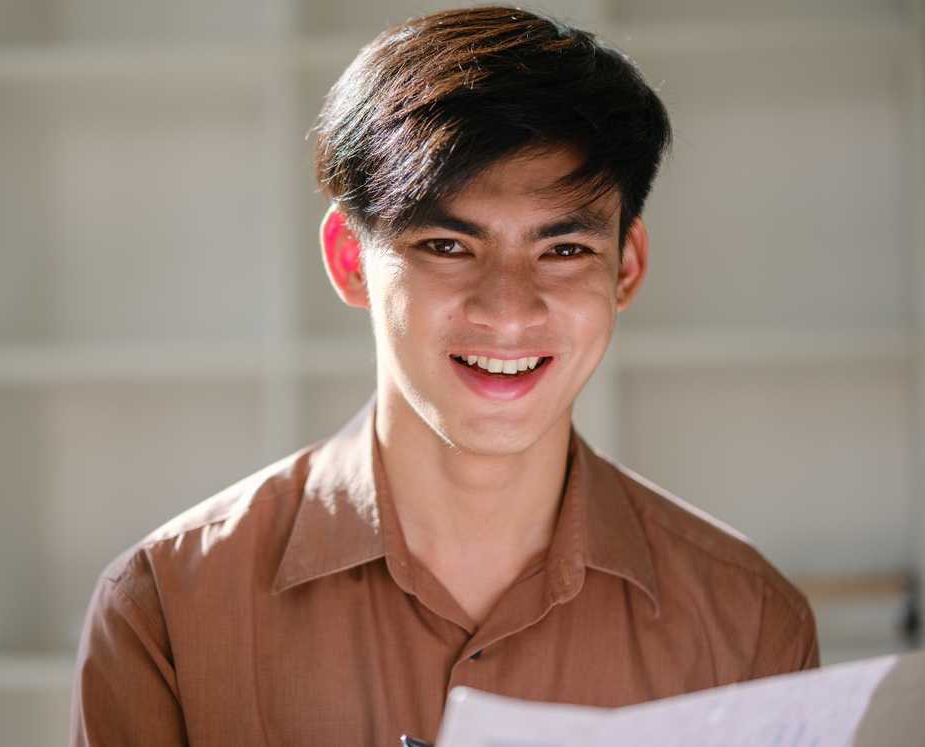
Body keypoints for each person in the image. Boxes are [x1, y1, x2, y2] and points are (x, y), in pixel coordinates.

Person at [69, 6, 819, 745]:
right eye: (446, 245)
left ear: (626, 267)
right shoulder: (167, 610)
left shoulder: (749, 623)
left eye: (563, 251)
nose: (508, 310)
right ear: (348, 259)